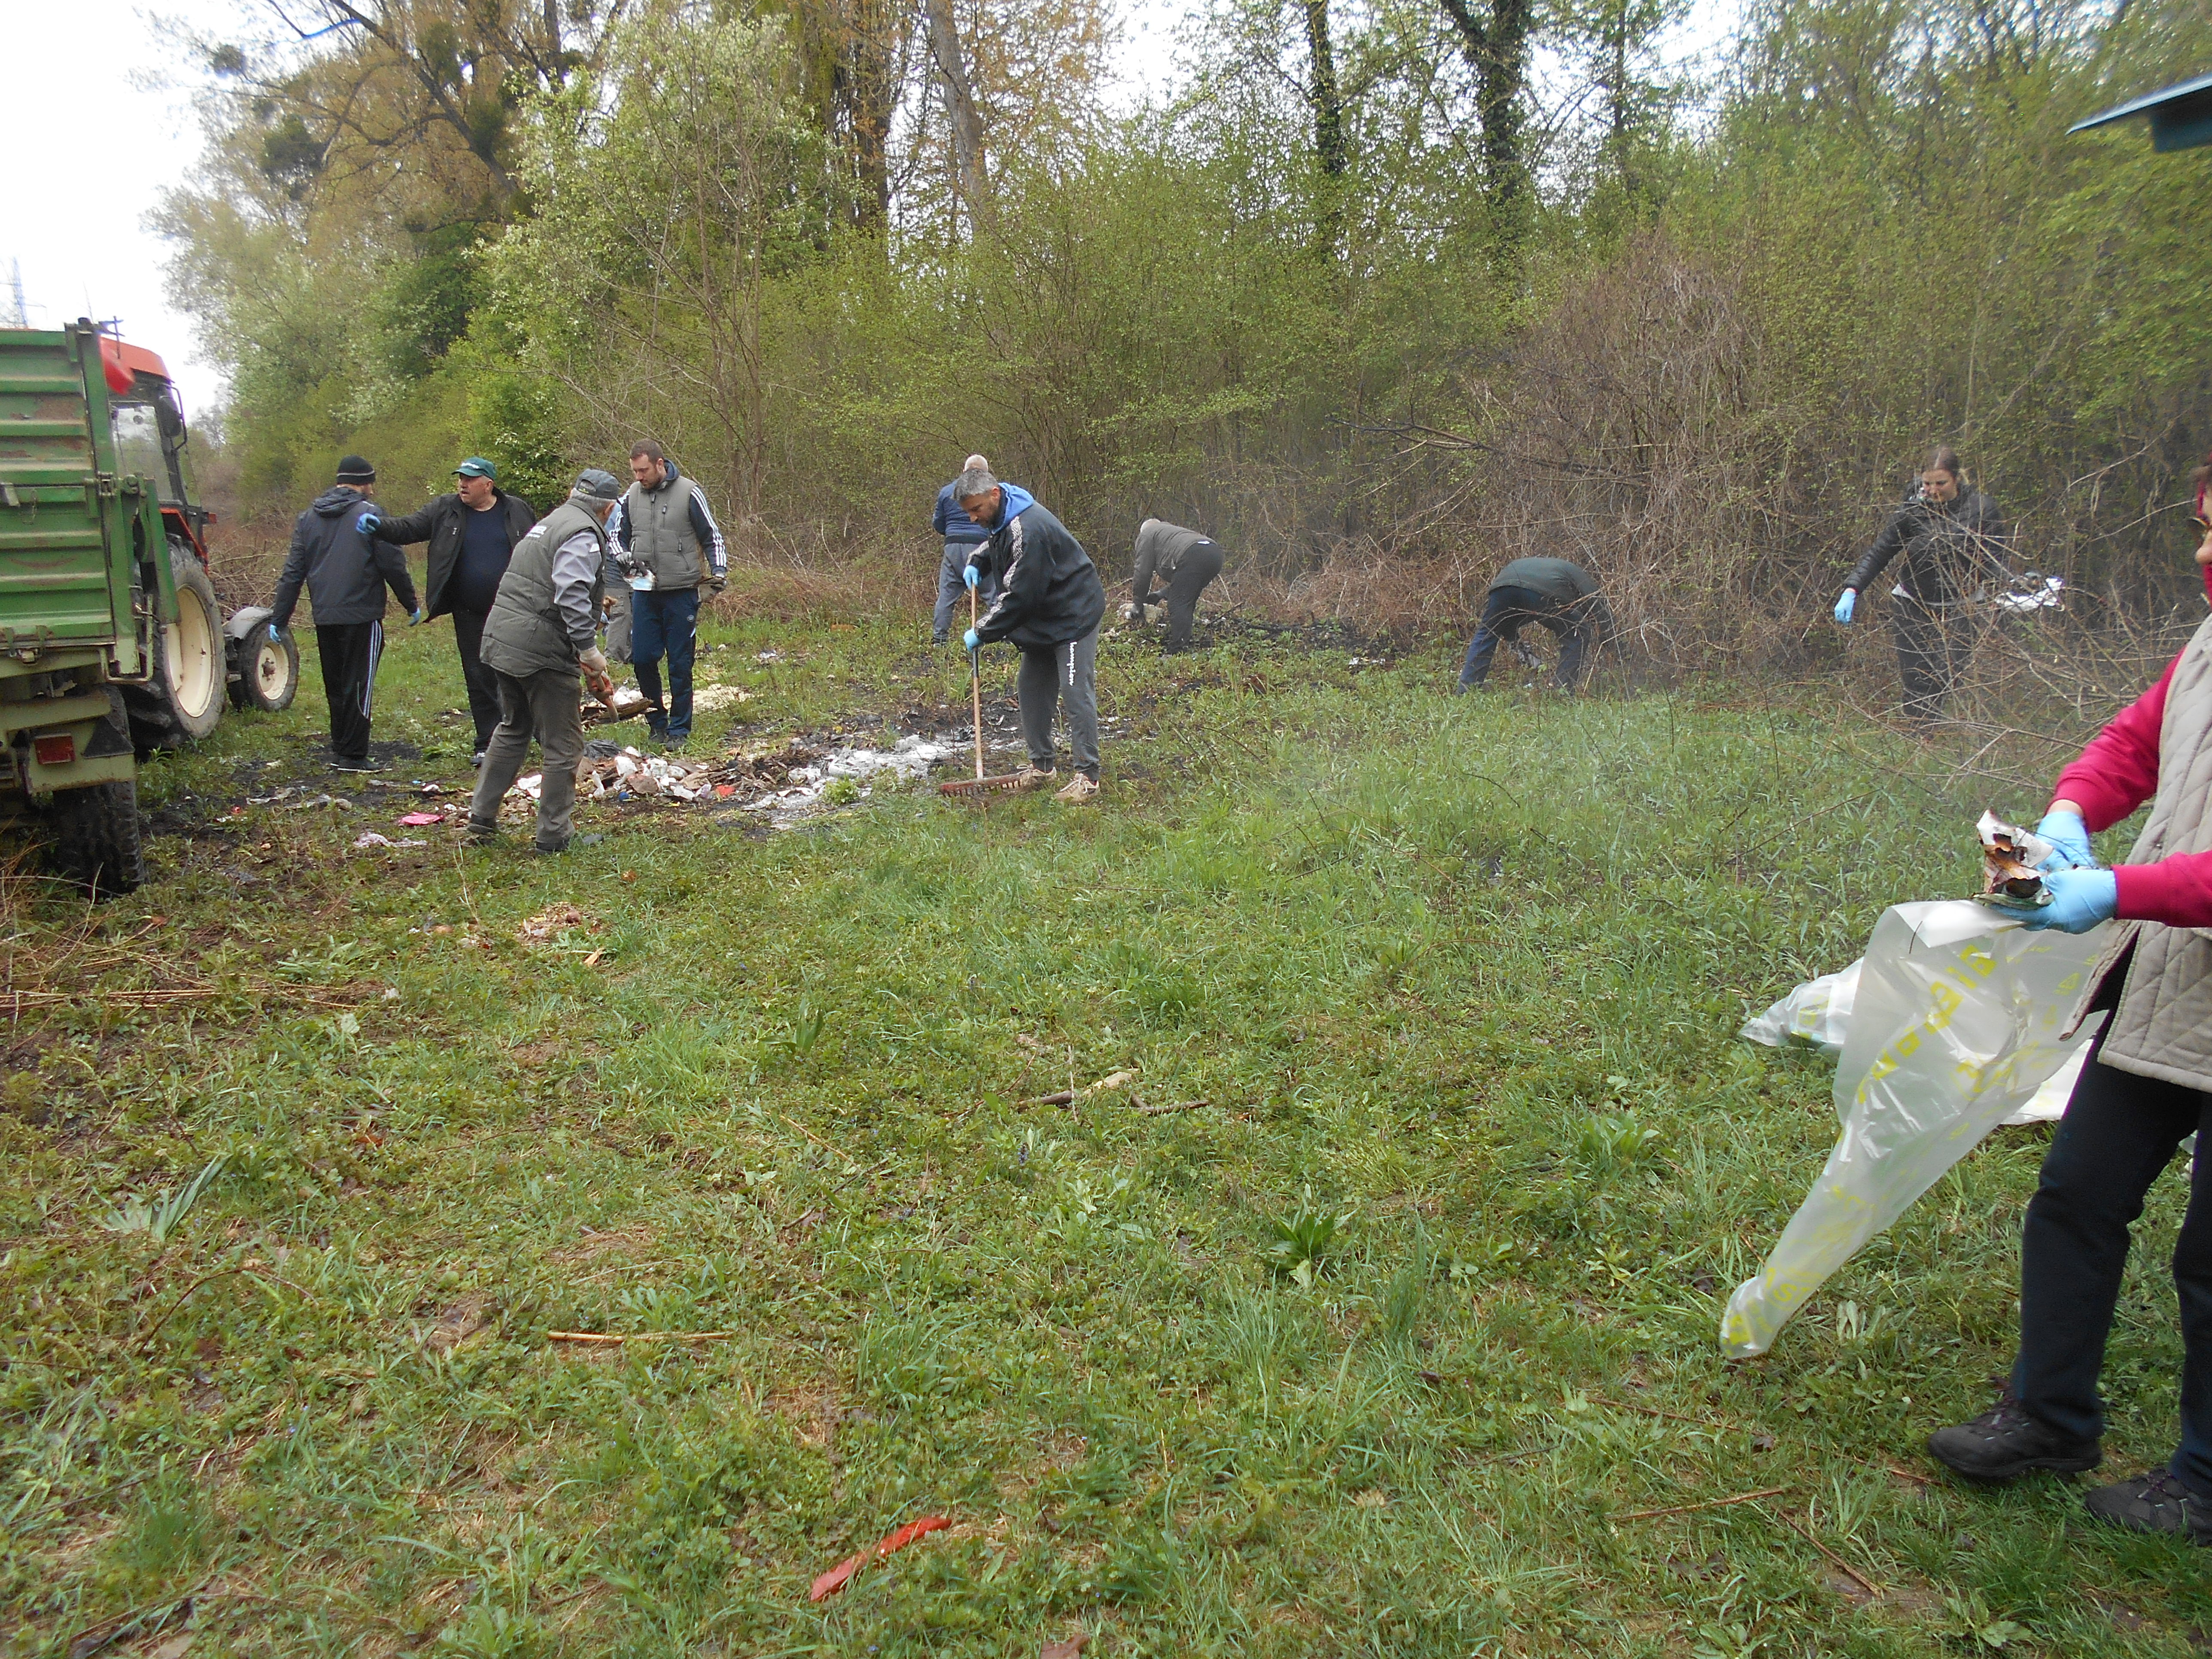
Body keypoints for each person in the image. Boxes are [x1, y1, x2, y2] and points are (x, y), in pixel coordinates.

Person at [1925, 480, 2212, 1541]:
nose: (2203, 552)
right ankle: (2050, 1417)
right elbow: (2136, 741)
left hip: (2174, 940)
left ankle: (2205, 1480)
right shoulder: (2208, 642)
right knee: (2078, 1194)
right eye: (2202, 526)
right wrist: (2073, 810)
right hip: (2173, 988)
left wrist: (2121, 891)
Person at [468, 470, 621, 855]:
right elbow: (570, 593)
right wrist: (588, 650)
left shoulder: (550, 522)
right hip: (539, 650)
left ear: (573, 494)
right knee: (564, 745)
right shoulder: (584, 534)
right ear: (607, 509)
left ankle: (481, 818)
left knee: (514, 726)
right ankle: (554, 835)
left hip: (502, 637)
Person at [369, 457, 538, 766]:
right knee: (479, 673)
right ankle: (488, 741)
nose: (462, 484)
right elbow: (409, 528)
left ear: (488, 483)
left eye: (470, 479)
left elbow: (537, 549)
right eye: (460, 478)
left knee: (522, 670)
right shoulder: (446, 509)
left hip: (515, 608)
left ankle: (534, 731)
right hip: (469, 608)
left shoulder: (517, 509)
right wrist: (379, 526)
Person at [956, 462, 1106, 802]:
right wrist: (978, 561)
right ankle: (1042, 768)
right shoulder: (1003, 511)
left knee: (1074, 690)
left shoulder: (1030, 528)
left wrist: (982, 630)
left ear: (994, 494)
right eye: (968, 512)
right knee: (1031, 688)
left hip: (1073, 614)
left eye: (976, 510)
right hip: (1044, 617)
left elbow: (1021, 597)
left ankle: (1088, 778)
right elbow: (999, 542)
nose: (973, 518)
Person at [1834, 447, 2012, 723]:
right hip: (1913, 601)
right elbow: (1881, 552)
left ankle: (1930, 725)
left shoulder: (1982, 509)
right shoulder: (1913, 510)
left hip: (1962, 605)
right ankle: (1918, 735)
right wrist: (1852, 589)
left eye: (1940, 483)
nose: (1932, 490)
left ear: (1956, 479)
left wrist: (2010, 589)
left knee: (1947, 673)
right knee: (1915, 676)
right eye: (1927, 483)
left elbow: (1997, 558)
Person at [270, 454, 421, 772]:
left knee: (336, 684)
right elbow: (391, 563)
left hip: (325, 615)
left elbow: (293, 572)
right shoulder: (370, 514)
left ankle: (340, 748)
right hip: (362, 613)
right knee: (359, 684)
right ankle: (354, 756)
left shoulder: (308, 517)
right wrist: (411, 603)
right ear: (365, 484)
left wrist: (279, 618)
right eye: (371, 484)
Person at [607, 441, 727, 747]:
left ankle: (679, 729)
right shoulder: (631, 496)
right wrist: (622, 556)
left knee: (679, 662)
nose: (638, 477)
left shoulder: (689, 492)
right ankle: (656, 721)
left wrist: (719, 571)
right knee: (644, 658)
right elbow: (616, 537)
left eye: (643, 470)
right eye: (634, 471)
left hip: (682, 591)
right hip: (645, 590)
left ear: (660, 464)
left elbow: (711, 535)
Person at [1455, 556, 1612, 693]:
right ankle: (1562, 691)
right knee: (1578, 634)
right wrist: (1619, 649)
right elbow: (1601, 612)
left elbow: (1515, 616)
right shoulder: (1581, 578)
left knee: (1487, 633)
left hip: (1503, 587)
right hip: (1541, 590)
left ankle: (1467, 688)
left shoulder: (1556, 568)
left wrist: (1513, 639)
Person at [1127, 518, 1225, 652]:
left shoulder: (1147, 534)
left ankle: (1177, 650)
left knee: (1178, 604)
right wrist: (1160, 595)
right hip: (1214, 553)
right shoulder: (1172, 532)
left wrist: (1137, 604)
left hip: (1193, 554)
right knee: (1186, 599)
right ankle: (1183, 643)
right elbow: (1186, 582)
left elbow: (1142, 573)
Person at [933, 453, 999, 644]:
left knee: (946, 596)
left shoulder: (947, 492)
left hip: (953, 548)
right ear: (986, 473)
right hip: (981, 546)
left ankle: (939, 639)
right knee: (994, 594)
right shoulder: (990, 492)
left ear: (964, 471)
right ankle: (1001, 637)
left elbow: (938, 524)